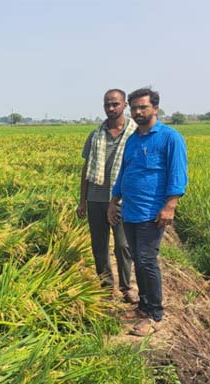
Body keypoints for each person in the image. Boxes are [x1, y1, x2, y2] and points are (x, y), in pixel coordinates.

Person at [108, 87, 189, 336]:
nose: (138, 112)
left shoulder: (169, 138)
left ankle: (155, 314)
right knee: (138, 260)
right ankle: (143, 306)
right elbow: (124, 173)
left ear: (155, 108)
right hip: (130, 211)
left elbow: (178, 174)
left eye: (143, 107)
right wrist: (114, 201)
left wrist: (170, 206)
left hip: (152, 213)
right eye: (135, 108)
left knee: (146, 261)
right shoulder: (133, 140)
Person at [77, 89, 138, 303]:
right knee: (99, 245)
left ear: (124, 105)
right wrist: (82, 201)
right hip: (96, 198)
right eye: (107, 104)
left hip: (122, 199)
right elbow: (86, 169)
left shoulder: (134, 133)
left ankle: (126, 286)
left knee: (123, 245)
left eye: (115, 104)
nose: (111, 108)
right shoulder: (95, 135)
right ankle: (105, 286)